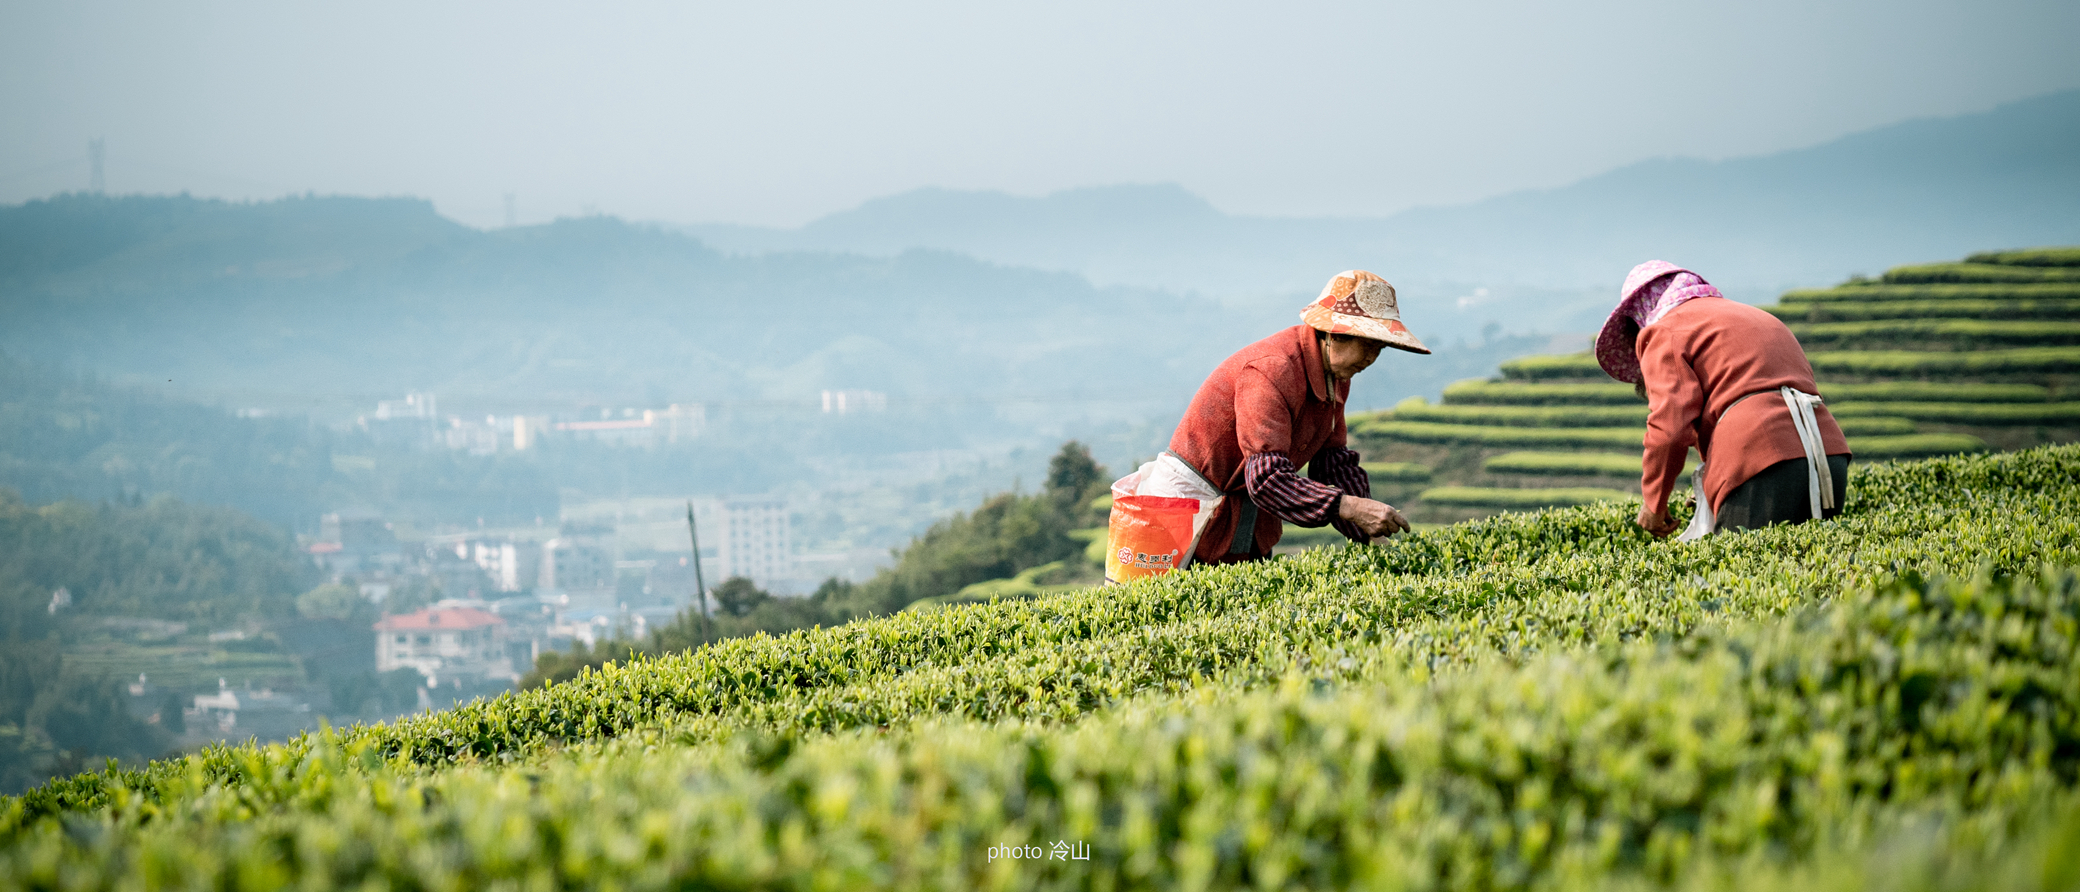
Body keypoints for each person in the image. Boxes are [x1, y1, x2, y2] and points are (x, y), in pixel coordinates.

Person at [1163, 269, 1427, 566]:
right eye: (1367, 344)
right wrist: (1349, 507)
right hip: (1190, 512)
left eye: (1380, 347)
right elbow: (1267, 478)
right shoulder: (1272, 370)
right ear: (1334, 333)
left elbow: (1333, 463)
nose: (1371, 358)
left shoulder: (1336, 377)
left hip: (1245, 518)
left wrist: (1367, 531)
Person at [1594, 260, 1851, 539]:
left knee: (1742, 578)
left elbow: (1670, 427)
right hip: (1828, 455)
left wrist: (1653, 503)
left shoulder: (1663, 331)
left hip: (1759, 458)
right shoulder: (1759, 317)